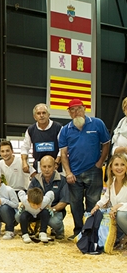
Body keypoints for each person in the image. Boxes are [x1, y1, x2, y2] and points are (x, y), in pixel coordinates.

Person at [59, 98, 111, 240]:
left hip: (94, 171)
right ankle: (78, 232)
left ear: (84, 109)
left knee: (93, 203)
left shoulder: (97, 123)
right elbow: (63, 154)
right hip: (74, 174)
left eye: (79, 108)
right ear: (69, 113)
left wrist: (100, 162)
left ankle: (91, 232)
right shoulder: (65, 130)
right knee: (75, 205)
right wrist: (68, 173)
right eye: (72, 110)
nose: (76, 112)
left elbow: (106, 143)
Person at [27, 155, 69, 240]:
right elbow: (29, 197)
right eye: (44, 166)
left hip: (54, 210)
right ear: (40, 167)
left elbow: (64, 202)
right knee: (18, 216)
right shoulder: (35, 179)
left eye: (49, 166)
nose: (46, 169)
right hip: (37, 209)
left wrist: (51, 209)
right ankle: (37, 226)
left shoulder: (63, 180)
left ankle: (59, 231)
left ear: (55, 167)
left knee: (55, 222)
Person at [91, 153, 127, 251]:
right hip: (116, 216)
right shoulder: (112, 182)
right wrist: (97, 206)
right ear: (110, 167)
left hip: (122, 215)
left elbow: (119, 207)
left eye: (122, 164)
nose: (119, 168)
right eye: (116, 165)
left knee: (120, 215)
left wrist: (118, 206)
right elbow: (106, 198)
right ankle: (121, 239)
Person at [21, 103, 62, 174]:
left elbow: (63, 148)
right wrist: (24, 162)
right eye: (38, 113)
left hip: (55, 166)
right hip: (38, 167)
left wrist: (56, 162)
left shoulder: (58, 128)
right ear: (34, 117)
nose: (41, 115)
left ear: (48, 115)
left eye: (44, 113)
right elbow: (25, 147)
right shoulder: (31, 130)